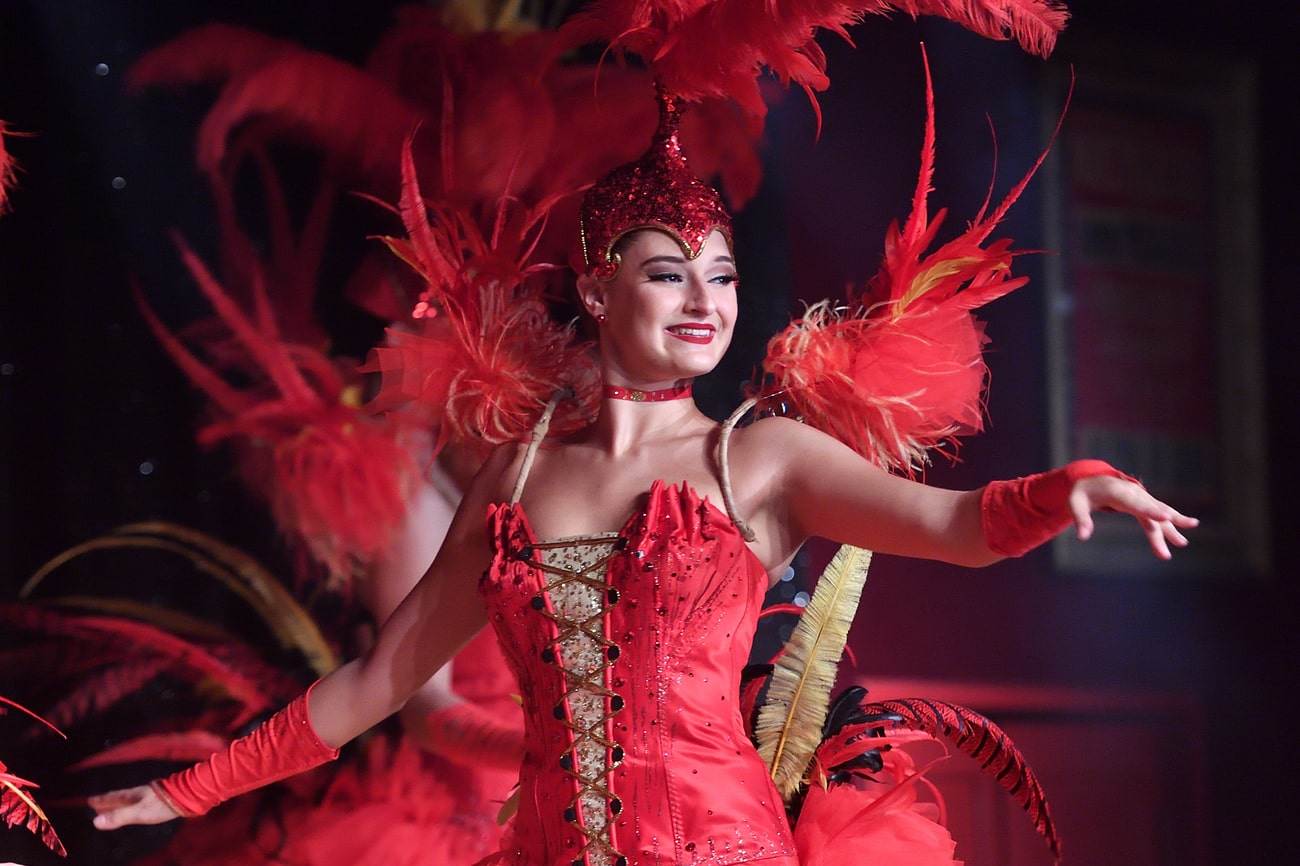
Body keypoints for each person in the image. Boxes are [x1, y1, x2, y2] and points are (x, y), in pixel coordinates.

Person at [87, 76, 1196, 866]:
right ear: (595, 288)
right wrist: (185, 791)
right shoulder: (517, 477)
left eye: (721, 274)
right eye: (669, 274)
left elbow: (953, 526)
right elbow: (379, 681)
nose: (706, 300)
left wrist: (1071, 484)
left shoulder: (761, 456)